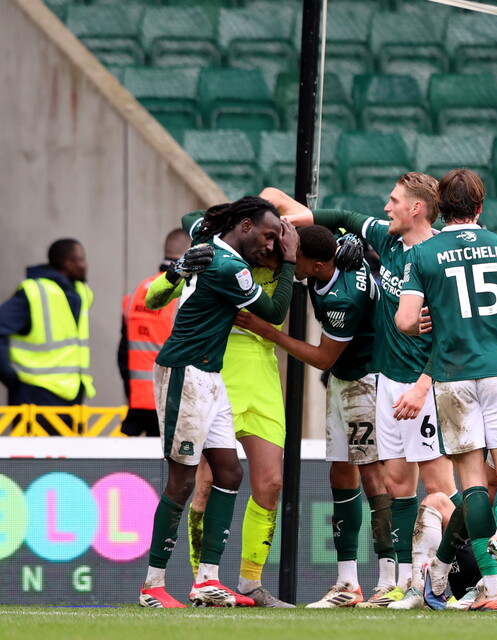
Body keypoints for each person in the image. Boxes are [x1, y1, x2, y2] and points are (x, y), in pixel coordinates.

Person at [261, 175, 459, 609]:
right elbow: (333, 215)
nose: (386, 207)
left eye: (394, 201)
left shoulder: (434, 258)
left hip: (404, 382)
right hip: (379, 378)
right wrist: (284, 227)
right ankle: (372, 582)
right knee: (369, 477)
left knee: (427, 486)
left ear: (417, 209)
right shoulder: (386, 242)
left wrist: (426, 380)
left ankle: (453, 574)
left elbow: (325, 357)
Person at [138, 197, 299, 608]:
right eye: (266, 236)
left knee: (229, 473)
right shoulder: (231, 268)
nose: (270, 246)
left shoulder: (211, 247)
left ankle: (207, 580)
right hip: (184, 373)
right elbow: (276, 309)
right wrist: (292, 261)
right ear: (244, 226)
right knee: (183, 481)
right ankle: (152, 586)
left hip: (211, 376)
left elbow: (196, 223)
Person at [395, 168, 497, 611]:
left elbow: (405, 322)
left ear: (441, 207)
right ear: (480, 206)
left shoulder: (423, 253)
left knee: (473, 483)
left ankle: (492, 591)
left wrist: (439, 320)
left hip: (451, 376)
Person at [234, 224, 396, 609]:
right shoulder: (332, 255)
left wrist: (267, 330)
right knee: (341, 472)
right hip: (344, 380)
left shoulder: (345, 297)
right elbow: (326, 223)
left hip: (366, 380)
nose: (289, 262)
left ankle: (391, 580)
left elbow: (323, 358)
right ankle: (347, 583)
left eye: (296, 259)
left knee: (372, 473)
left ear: (319, 264)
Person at [0, 239, 93, 435]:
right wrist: (11, 377)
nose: (86, 265)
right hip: (35, 397)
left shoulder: (80, 293)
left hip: (71, 396)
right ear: (68, 263)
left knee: (69, 463)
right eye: (81, 259)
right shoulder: (34, 292)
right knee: (33, 465)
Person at [117, 229, 191, 437]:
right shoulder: (184, 294)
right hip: (170, 401)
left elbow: (123, 353)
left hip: (139, 402)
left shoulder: (137, 292)